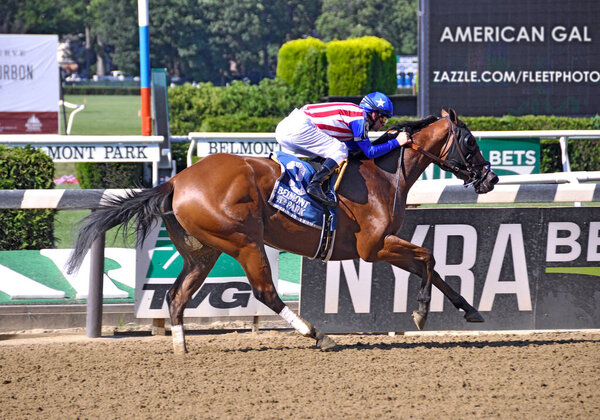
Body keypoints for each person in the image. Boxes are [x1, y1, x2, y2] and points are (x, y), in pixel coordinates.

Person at [275, 91, 410, 206]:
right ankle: (314, 186)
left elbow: (359, 150)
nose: (383, 124)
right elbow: (369, 152)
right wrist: (397, 142)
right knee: (339, 150)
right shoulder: (359, 118)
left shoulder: (354, 117)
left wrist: (388, 139)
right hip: (296, 128)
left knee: (336, 153)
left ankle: (318, 184)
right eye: (383, 118)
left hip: (289, 129)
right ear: (374, 114)